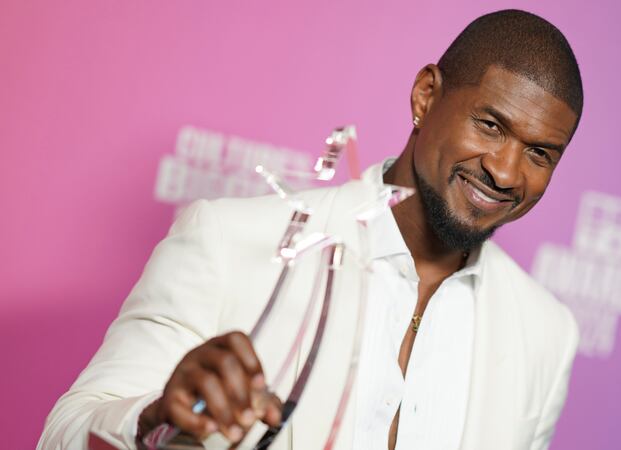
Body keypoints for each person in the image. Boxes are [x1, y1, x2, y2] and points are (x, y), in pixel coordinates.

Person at [39, 9, 583, 450]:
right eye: (490, 125)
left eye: (540, 153)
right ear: (425, 96)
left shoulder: (546, 334)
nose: (507, 171)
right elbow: (65, 433)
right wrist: (152, 422)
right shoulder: (229, 242)